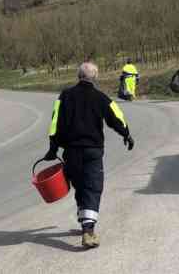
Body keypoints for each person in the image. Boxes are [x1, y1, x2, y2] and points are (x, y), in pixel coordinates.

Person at [44, 62, 135, 249]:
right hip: (92, 151)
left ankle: (84, 220)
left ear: (78, 76)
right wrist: (126, 134)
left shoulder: (65, 96)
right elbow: (117, 118)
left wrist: (53, 147)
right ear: (95, 78)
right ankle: (88, 230)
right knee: (92, 187)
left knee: (80, 186)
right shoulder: (101, 97)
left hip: (71, 151)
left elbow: (55, 122)